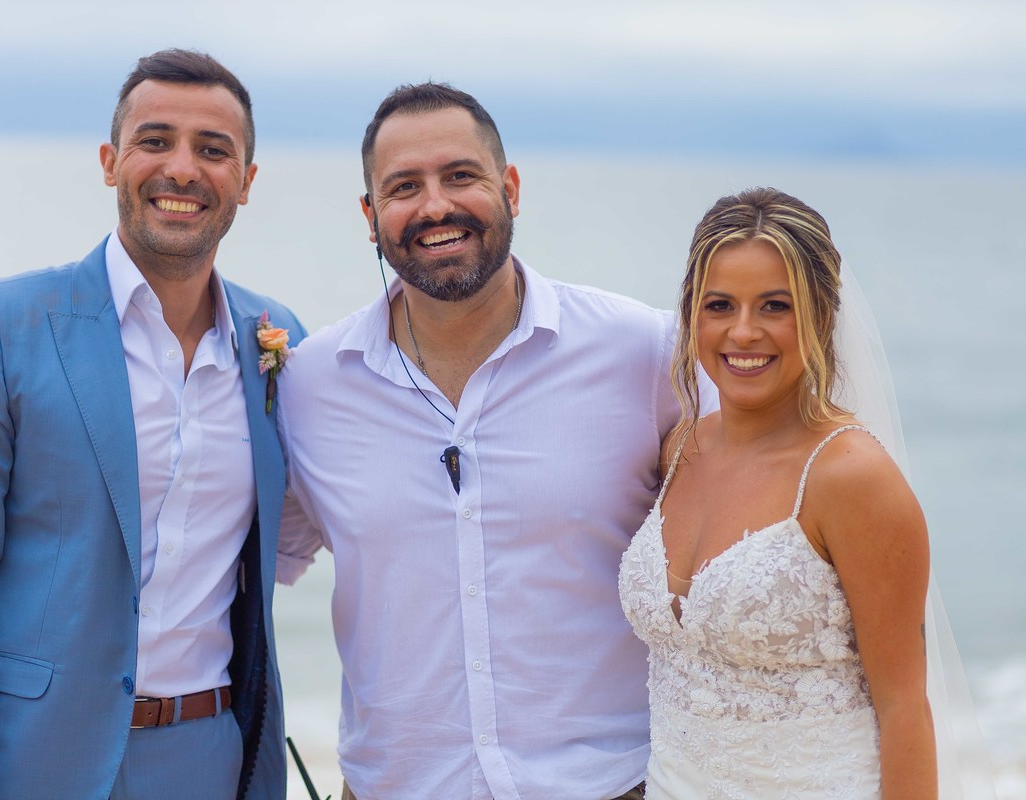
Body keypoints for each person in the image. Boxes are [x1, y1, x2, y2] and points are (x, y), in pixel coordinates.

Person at [0, 49, 304, 800]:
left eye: (213, 150)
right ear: (112, 161)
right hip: (28, 763)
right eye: (155, 141)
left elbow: (305, 529)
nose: (182, 168)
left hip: (208, 759)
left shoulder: (279, 342)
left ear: (245, 181)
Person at [276, 82, 700, 799]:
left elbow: (765, 515)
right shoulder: (310, 385)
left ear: (510, 188)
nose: (436, 205)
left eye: (461, 176)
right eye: (404, 186)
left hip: (614, 785)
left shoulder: (646, 352)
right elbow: (239, 568)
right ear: (370, 214)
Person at [619, 187, 937, 798]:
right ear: (691, 313)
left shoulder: (851, 477)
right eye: (719, 305)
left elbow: (904, 709)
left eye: (774, 306)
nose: (743, 332)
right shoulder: (681, 447)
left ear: (821, 315)